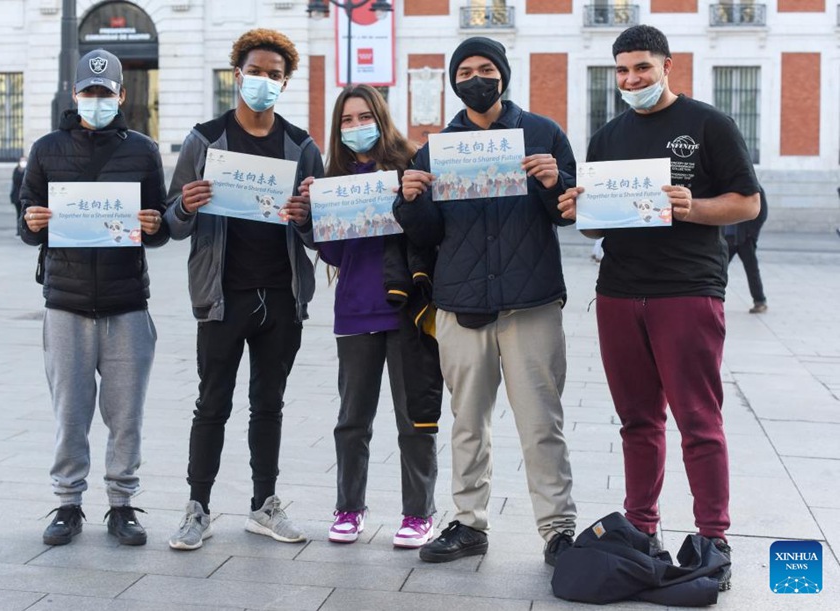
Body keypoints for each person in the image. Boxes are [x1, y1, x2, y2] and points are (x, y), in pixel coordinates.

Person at [557, 25, 761, 591]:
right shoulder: (607, 137)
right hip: (619, 292)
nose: (631, 80)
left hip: (688, 289)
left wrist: (691, 206)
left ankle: (713, 535)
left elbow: (746, 202)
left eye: (642, 68)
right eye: (621, 70)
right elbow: (596, 225)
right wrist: (579, 208)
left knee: (698, 419)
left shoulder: (707, 124)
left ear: (667, 66)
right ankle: (642, 527)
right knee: (637, 421)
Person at [394, 36, 578, 566]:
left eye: (486, 69)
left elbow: (567, 213)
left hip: (531, 304)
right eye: (466, 71)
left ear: (503, 75)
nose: (476, 79)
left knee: (542, 424)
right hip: (461, 306)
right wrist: (409, 200)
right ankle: (469, 522)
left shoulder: (543, 133)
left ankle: (557, 529)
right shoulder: (436, 148)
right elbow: (427, 235)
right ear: (454, 81)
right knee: (468, 422)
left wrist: (555, 181)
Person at [165, 29, 323, 551]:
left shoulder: (301, 146)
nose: (263, 82)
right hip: (222, 295)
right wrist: (187, 204)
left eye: (274, 76)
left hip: (281, 294)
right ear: (237, 74)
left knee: (269, 405)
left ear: (285, 82)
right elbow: (172, 221)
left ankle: (264, 504)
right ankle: (197, 507)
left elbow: (320, 229)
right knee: (212, 404)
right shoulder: (204, 139)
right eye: (255, 72)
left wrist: (304, 220)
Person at [20, 49, 169, 546]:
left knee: (126, 414)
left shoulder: (144, 151)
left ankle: (123, 504)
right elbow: (26, 221)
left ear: (122, 95)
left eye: (106, 93)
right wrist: (32, 221)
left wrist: (155, 225)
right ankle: (67, 503)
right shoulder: (45, 149)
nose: (97, 100)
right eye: (89, 92)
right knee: (70, 411)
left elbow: (159, 225)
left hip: (127, 302)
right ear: (75, 94)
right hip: (66, 301)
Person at [305, 84, 439, 548]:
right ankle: (348, 508)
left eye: (364, 117)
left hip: (405, 310)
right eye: (346, 120)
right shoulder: (335, 179)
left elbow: (430, 232)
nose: (356, 127)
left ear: (381, 118)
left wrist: (412, 196)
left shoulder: (411, 164)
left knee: (413, 419)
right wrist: (312, 214)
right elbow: (334, 252)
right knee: (352, 420)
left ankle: (419, 513)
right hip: (355, 309)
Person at [725, 187, 768, 313]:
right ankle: (713, 301)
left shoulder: (754, 188)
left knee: (752, 271)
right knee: (718, 270)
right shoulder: (725, 186)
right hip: (728, 238)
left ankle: (760, 301)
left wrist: (751, 234)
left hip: (745, 239)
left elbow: (762, 213)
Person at [10, 156, 27, 236]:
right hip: (17, 197)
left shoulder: (28, 170)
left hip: (25, 196)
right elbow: (15, 181)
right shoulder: (16, 170)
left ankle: (24, 230)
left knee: (24, 214)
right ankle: (19, 231)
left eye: (25, 161)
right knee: (19, 214)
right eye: (22, 161)